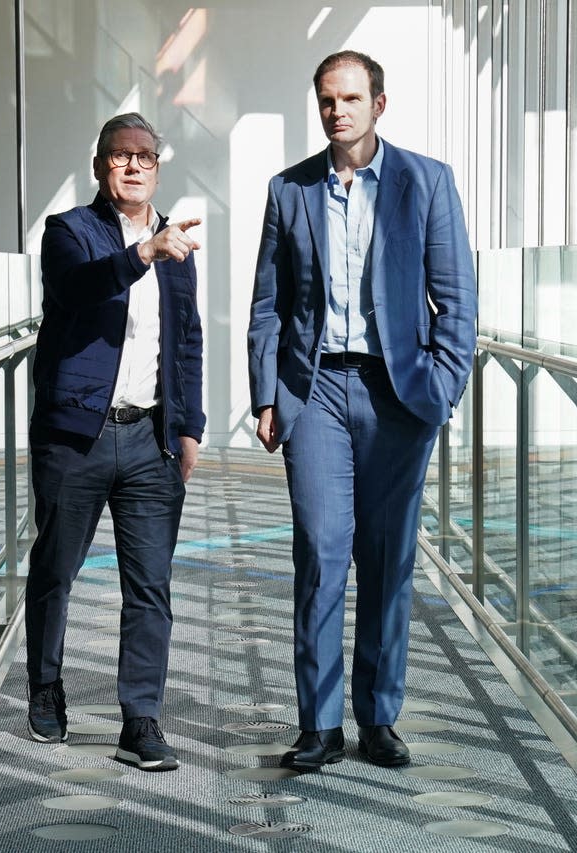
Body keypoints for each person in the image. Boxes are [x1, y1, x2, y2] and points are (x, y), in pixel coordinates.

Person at [247, 52, 476, 772]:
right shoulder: (289, 190)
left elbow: (457, 302)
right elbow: (267, 305)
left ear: (380, 103)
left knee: (387, 560)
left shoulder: (426, 183)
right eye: (325, 99)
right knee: (320, 550)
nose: (336, 110)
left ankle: (378, 717)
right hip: (314, 392)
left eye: (350, 98)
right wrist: (265, 393)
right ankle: (319, 724)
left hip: (398, 397)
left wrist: (439, 393)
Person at [26, 112, 205, 772]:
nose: (132, 165)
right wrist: (142, 254)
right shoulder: (69, 231)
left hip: (151, 438)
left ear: (157, 166)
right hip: (77, 435)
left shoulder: (176, 246)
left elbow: (187, 340)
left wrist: (190, 426)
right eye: (119, 156)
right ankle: (45, 687)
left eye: (144, 156)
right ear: (100, 166)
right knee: (55, 571)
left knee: (150, 585)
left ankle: (141, 720)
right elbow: (77, 291)